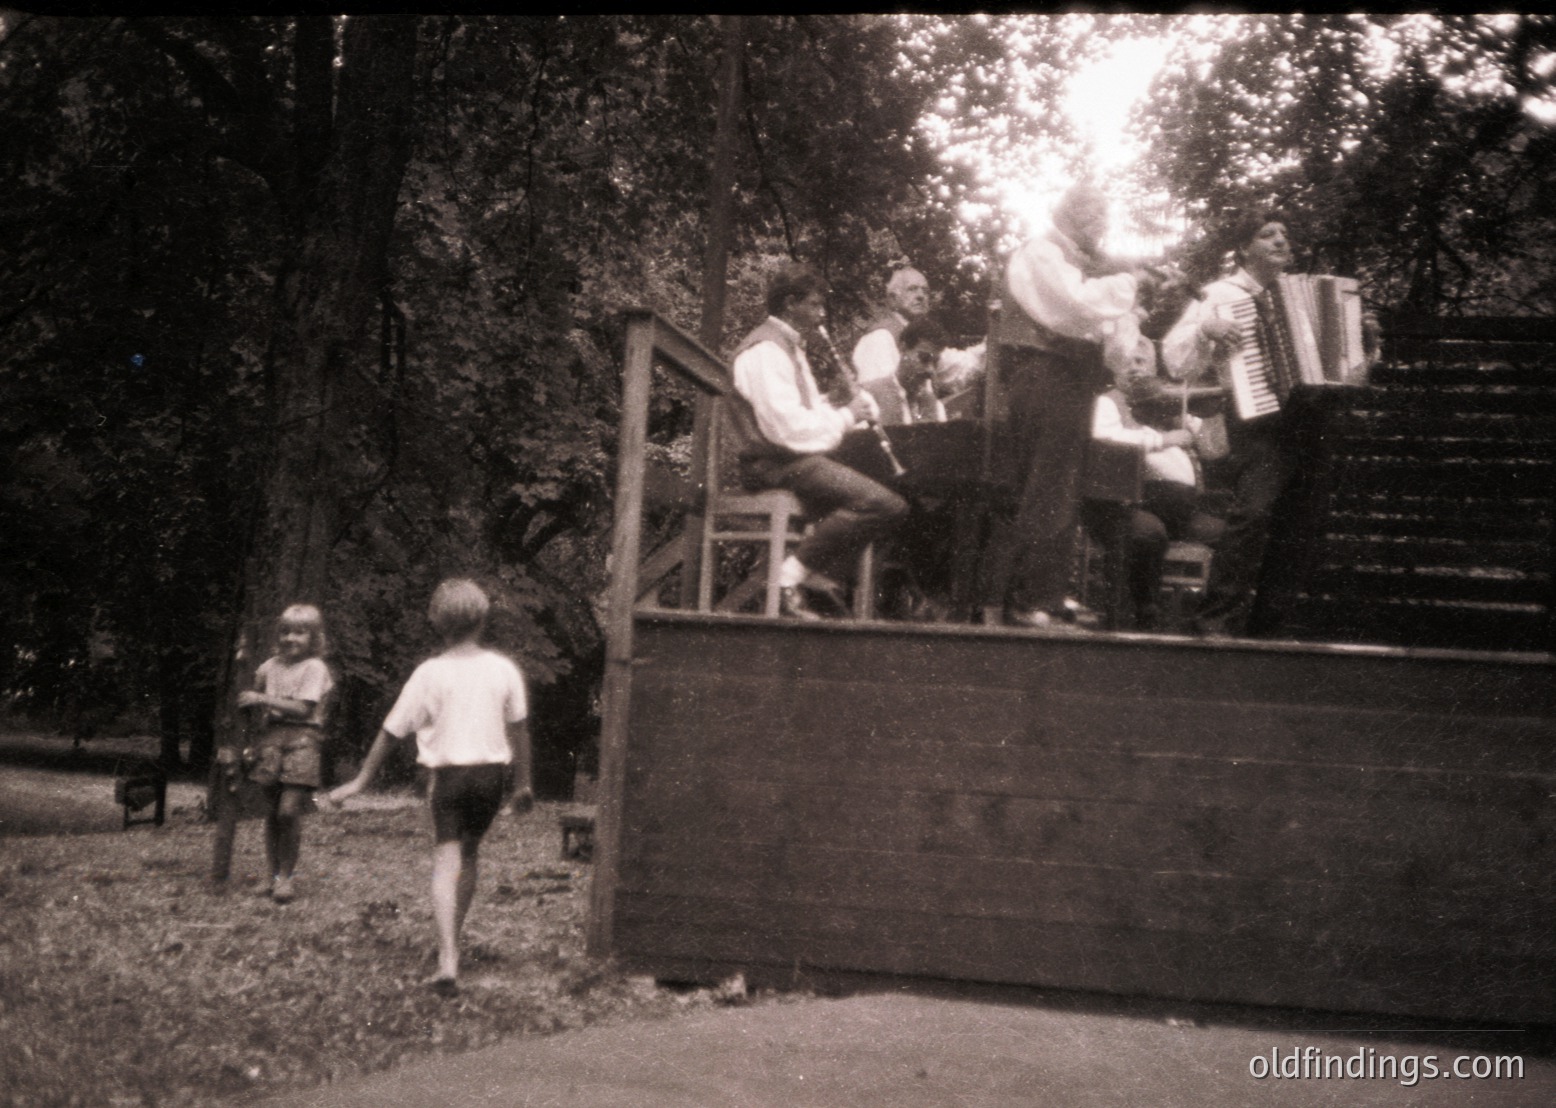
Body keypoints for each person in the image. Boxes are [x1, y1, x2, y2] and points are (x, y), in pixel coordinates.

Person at [1160, 212, 1378, 637]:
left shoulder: (1314, 294)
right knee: (1252, 517)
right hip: (1259, 420)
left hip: (1314, 419)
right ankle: (1215, 622)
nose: (1281, 240)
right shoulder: (1220, 294)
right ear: (1244, 249)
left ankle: (1269, 628)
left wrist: (1366, 346)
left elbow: (1351, 378)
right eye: (1267, 234)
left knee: (1301, 524)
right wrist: (1207, 328)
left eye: (1285, 233)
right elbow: (1174, 359)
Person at [325, 579, 532, 997]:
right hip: (491, 777)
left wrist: (361, 780)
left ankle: (447, 957)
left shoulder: (430, 673)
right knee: (469, 857)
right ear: (482, 619)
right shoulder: (503, 669)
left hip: (449, 779)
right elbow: (520, 729)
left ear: (437, 623)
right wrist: (524, 784)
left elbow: (390, 731)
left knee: (445, 860)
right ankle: (451, 938)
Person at [979, 183, 1155, 630]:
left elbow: (1114, 349)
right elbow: (1073, 304)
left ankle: (1044, 596)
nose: (1103, 231)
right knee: (1047, 486)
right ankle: (1031, 601)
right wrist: (1130, 282)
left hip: (1071, 380)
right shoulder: (1040, 252)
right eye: (1098, 219)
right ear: (1076, 215)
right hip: (1043, 376)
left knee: (1059, 488)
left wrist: (1131, 304)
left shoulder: (1082, 268)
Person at [727, 262, 909, 620]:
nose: (821, 314)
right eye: (814, 305)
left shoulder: (790, 348)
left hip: (790, 459)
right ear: (791, 303)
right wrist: (847, 416)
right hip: (773, 465)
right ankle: (790, 578)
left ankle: (817, 579)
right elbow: (787, 429)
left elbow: (800, 415)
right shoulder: (765, 351)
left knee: (889, 493)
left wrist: (838, 402)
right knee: (886, 505)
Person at [1088, 336, 1224, 629]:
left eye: (1142, 361)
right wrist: (1162, 439)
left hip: (1181, 510)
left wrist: (1199, 424)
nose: (1135, 368)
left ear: (1154, 367)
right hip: (1131, 502)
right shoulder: (1107, 403)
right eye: (1127, 361)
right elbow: (1106, 440)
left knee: (1228, 536)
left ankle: (1210, 618)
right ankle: (1145, 610)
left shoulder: (1169, 407)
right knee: (1148, 532)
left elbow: (1216, 449)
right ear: (1113, 365)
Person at [215, 604, 334, 902]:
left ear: (314, 637)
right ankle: (272, 877)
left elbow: (303, 707)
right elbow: (247, 687)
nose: (291, 638)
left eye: (300, 632)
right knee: (271, 812)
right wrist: (242, 666)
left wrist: (260, 697)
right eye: (285, 631)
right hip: (270, 740)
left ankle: (286, 876)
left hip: (302, 739)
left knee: (288, 810)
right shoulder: (270, 666)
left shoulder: (315, 668)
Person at [852, 266, 984, 409]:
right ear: (892, 299)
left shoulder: (922, 337)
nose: (921, 296)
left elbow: (960, 368)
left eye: (925, 291)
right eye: (912, 289)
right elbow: (880, 397)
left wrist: (992, 344)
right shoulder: (880, 337)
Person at [862, 317, 949, 427]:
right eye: (924, 358)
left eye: (935, 362)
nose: (930, 369)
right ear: (903, 348)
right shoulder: (871, 397)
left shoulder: (934, 406)